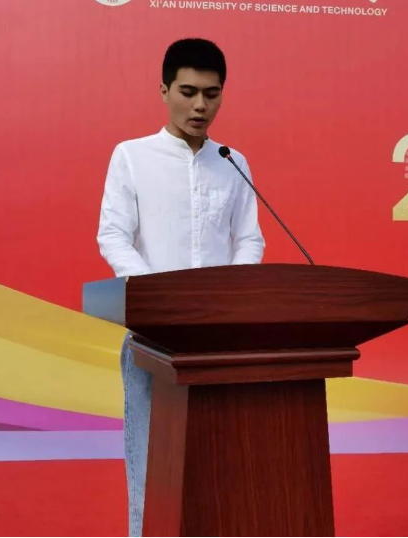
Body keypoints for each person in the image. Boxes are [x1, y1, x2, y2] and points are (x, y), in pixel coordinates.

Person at [97, 38, 265, 537]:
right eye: (188, 92)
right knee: (152, 474)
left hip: (220, 345)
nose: (199, 106)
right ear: (164, 90)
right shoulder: (132, 157)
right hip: (153, 342)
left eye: (211, 94)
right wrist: (161, 300)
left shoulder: (232, 162)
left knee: (220, 472)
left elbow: (249, 239)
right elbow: (113, 235)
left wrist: (231, 297)